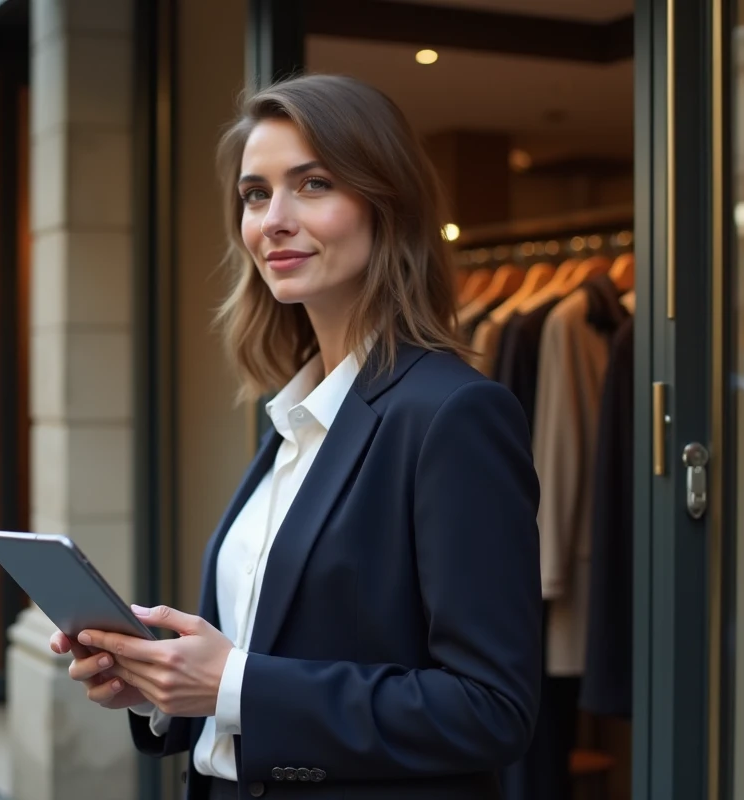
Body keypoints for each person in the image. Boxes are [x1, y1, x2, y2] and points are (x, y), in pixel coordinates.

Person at [51, 74, 542, 799]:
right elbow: (265, 660)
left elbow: (492, 710)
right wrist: (164, 692)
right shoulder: (295, 417)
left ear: (387, 205)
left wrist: (234, 682)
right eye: (255, 194)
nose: (273, 219)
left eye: (312, 185)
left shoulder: (454, 415)